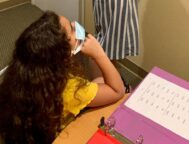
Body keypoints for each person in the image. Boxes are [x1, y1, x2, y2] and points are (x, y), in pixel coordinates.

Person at [0, 11, 124, 144]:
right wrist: (99, 54)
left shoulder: (17, 72)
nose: (75, 27)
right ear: (63, 52)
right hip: (55, 136)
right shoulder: (70, 89)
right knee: (100, 81)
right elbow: (117, 90)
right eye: (71, 30)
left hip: (22, 135)